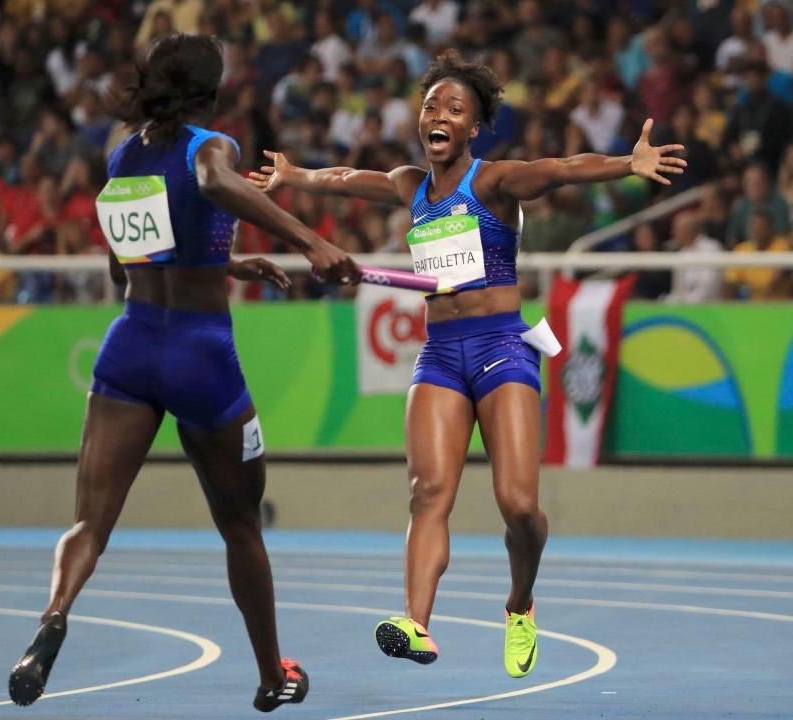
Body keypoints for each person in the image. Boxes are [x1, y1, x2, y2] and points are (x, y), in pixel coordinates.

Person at [249, 49, 685, 678]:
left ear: (473, 127)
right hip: (441, 356)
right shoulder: (410, 185)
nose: (440, 114)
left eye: (455, 108)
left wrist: (627, 163)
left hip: (503, 348)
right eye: (432, 105)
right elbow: (349, 177)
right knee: (428, 494)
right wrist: (295, 176)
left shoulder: (494, 181)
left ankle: (520, 603)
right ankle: (416, 623)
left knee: (518, 507)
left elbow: (560, 168)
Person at [7, 33, 359, 713]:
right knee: (241, 525)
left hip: (131, 347)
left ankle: (52, 619)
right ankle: (270, 675)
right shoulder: (212, 147)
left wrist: (227, 262)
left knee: (89, 524)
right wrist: (312, 240)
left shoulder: (121, 155)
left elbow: (127, 263)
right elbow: (211, 183)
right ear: (210, 92)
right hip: (201, 356)